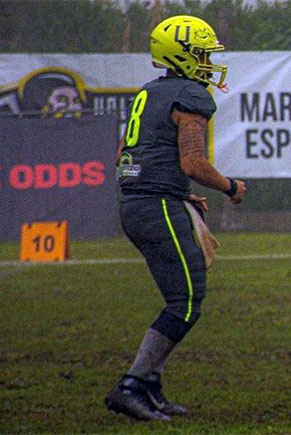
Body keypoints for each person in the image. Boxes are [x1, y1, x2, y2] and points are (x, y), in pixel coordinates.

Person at [105, 15, 246, 421]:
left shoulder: (150, 93)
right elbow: (194, 162)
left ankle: (150, 388)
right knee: (185, 301)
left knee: (179, 296)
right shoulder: (190, 94)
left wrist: (175, 193)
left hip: (137, 204)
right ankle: (132, 385)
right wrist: (230, 186)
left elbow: (122, 156)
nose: (208, 61)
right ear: (182, 56)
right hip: (156, 206)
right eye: (202, 54)